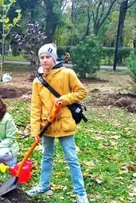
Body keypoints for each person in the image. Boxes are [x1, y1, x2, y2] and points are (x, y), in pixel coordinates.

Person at [26, 43, 89, 203]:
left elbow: (82, 92)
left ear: (54, 58)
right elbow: (35, 107)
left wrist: (65, 99)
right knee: (46, 157)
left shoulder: (67, 73)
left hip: (65, 124)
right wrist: (35, 130)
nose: (45, 60)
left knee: (71, 158)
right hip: (46, 125)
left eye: (48, 57)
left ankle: (81, 194)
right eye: (42, 57)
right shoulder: (37, 81)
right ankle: (43, 185)